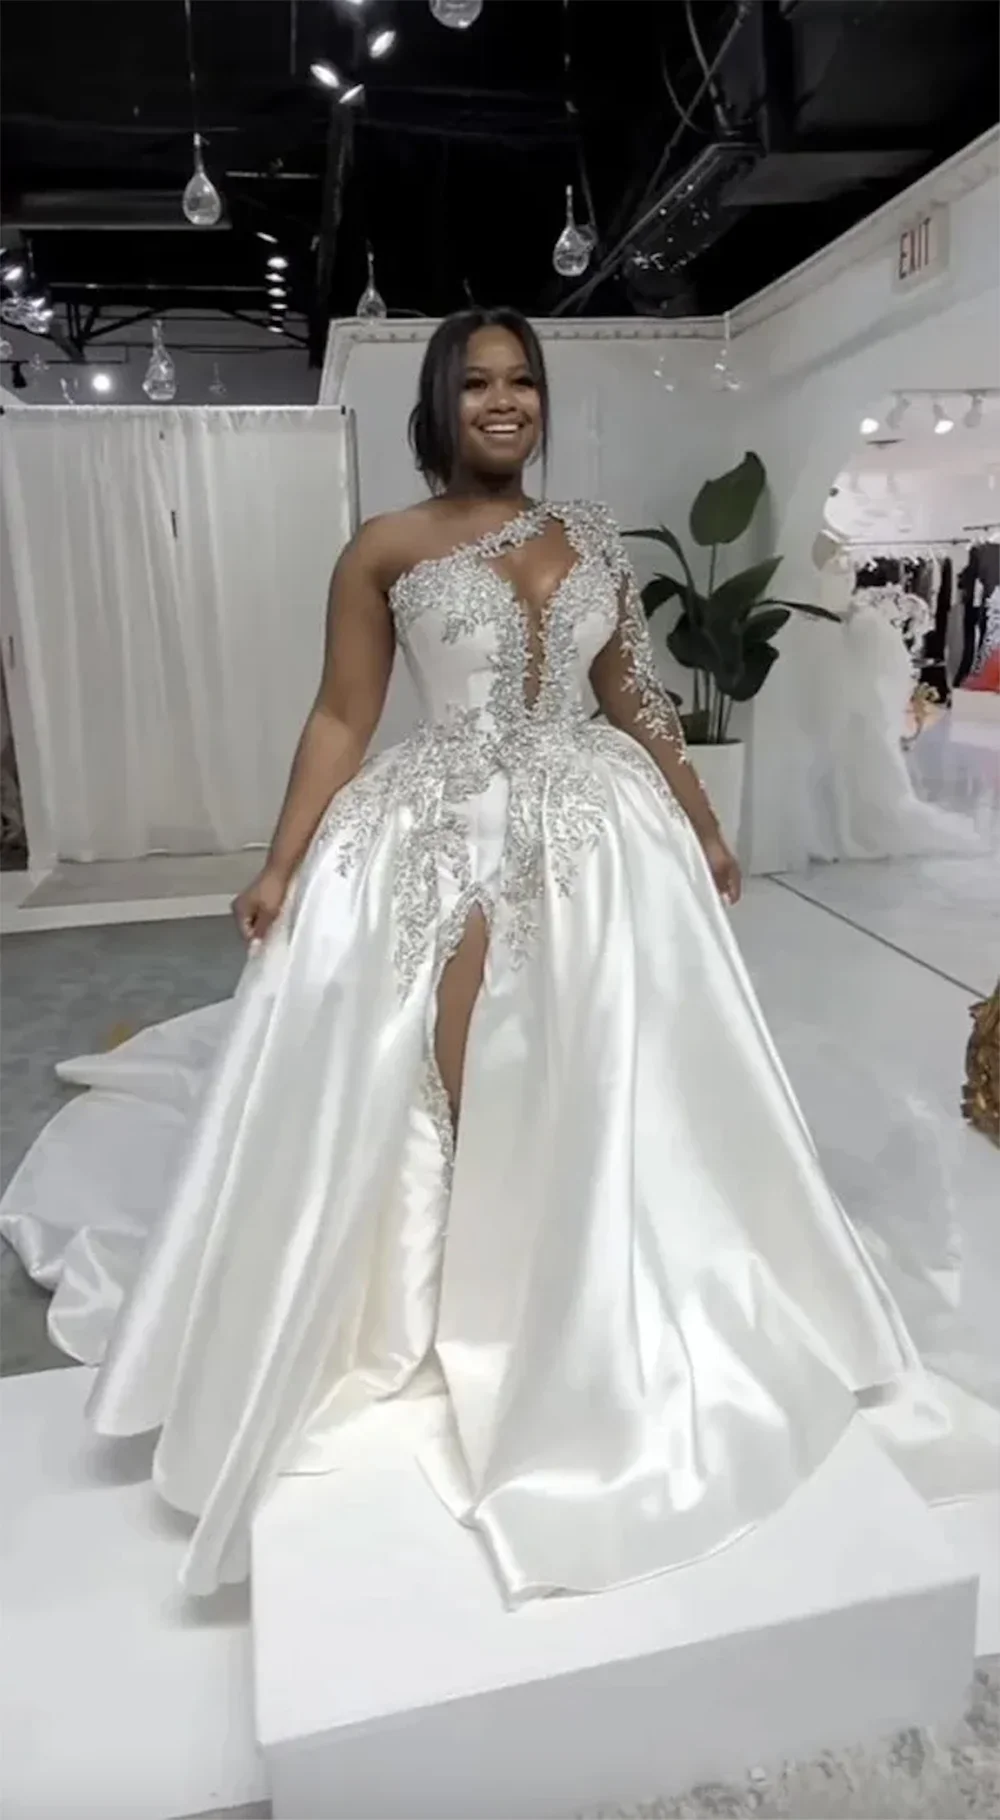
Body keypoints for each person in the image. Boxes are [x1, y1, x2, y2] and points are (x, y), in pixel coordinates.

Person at [0, 310, 989, 1603]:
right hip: (440, 813)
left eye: (523, 380)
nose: (505, 401)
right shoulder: (385, 546)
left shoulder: (590, 538)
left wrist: (702, 822)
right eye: (477, 383)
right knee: (449, 1040)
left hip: (595, 818)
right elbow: (342, 713)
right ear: (439, 403)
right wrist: (283, 863)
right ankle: (467, 1283)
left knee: (603, 1047)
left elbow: (634, 699)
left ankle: (589, 1265)